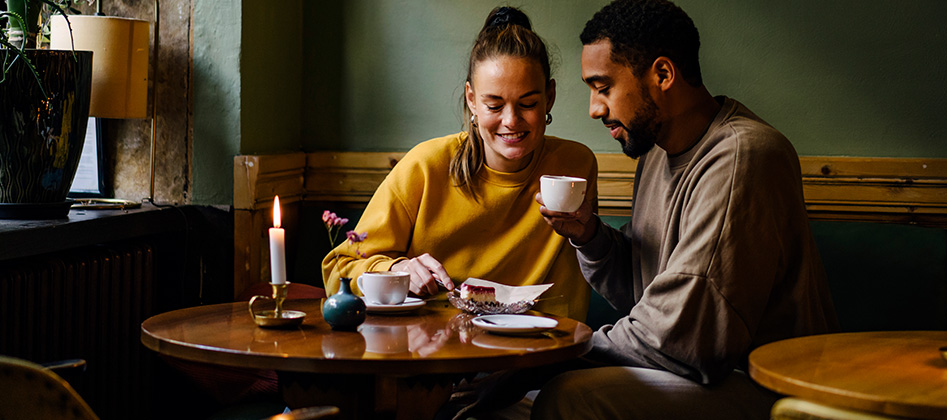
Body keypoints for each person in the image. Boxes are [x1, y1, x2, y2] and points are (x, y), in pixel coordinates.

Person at [530, 0, 840, 418]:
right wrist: (589, 237)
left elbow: (684, 337)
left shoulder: (743, 157)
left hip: (768, 388)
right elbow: (649, 297)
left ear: (663, 74)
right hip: (696, 375)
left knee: (571, 396)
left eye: (603, 88)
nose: (594, 109)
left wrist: (548, 355)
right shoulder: (656, 152)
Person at [322, 6, 598, 322]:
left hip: (540, 355)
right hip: (434, 354)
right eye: (494, 105)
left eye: (528, 104)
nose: (511, 121)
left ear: (549, 96)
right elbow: (338, 269)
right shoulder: (425, 167)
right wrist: (395, 269)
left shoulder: (576, 166)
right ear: (471, 99)